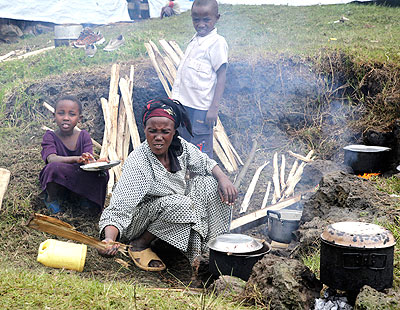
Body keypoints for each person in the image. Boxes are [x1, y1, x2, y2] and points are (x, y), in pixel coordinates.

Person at [98, 98, 237, 272]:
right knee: (182, 204)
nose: (158, 137)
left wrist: (223, 178)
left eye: (165, 132)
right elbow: (119, 209)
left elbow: (205, 163)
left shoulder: (180, 148)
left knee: (210, 184)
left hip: (173, 211)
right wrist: (109, 239)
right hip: (137, 222)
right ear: (145, 131)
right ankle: (140, 245)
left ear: (173, 132)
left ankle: (212, 250)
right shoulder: (139, 161)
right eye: (152, 131)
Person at [171, 0, 227, 159]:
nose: (201, 24)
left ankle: (202, 182)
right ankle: (185, 181)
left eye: (206, 19)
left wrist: (214, 108)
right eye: (196, 19)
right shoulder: (195, 40)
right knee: (183, 145)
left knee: (200, 152)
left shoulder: (217, 43)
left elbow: (222, 76)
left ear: (217, 18)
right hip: (184, 107)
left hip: (202, 110)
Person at [39, 95, 109, 214]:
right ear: (54, 116)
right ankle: (52, 198)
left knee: (102, 173)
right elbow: (51, 159)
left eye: (72, 114)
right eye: (61, 113)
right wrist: (77, 159)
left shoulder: (84, 136)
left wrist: (97, 163)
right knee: (53, 168)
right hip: (59, 178)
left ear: (79, 118)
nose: (66, 118)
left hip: (78, 176)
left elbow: (88, 161)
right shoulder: (50, 136)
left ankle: (84, 198)